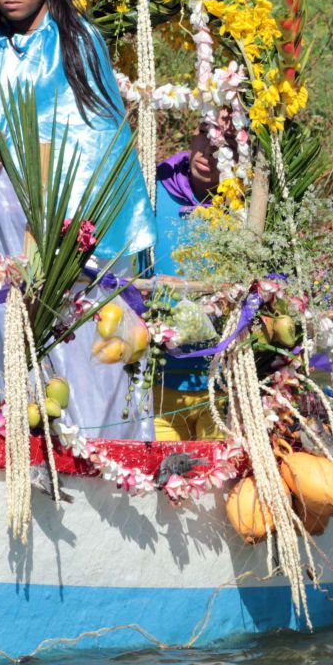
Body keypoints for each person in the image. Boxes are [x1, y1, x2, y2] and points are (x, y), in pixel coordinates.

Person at [0, 0, 156, 438]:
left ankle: (101, 455)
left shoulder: (78, 40)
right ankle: (31, 453)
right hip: (3, 222)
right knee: (16, 339)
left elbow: (101, 136)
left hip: (71, 225)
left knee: (89, 351)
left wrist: (73, 231)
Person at [151, 122, 220, 441]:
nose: (209, 152)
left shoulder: (248, 205)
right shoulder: (153, 189)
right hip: (159, 382)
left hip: (223, 384)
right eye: (205, 136)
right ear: (192, 135)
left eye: (223, 144)